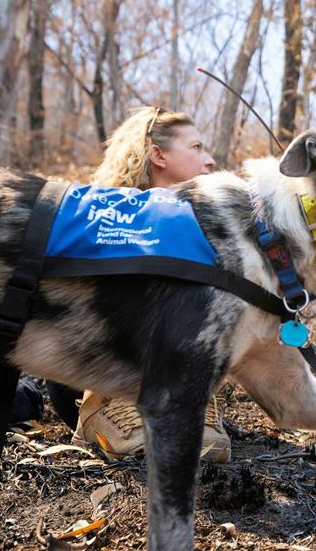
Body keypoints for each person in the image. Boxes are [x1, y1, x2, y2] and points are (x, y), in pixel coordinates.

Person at [67, 106, 229, 462]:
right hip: (94, 374)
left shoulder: (205, 225)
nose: (211, 161)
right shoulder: (106, 215)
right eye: (197, 148)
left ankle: (195, 401)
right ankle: (99, 412)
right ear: (159, 155)